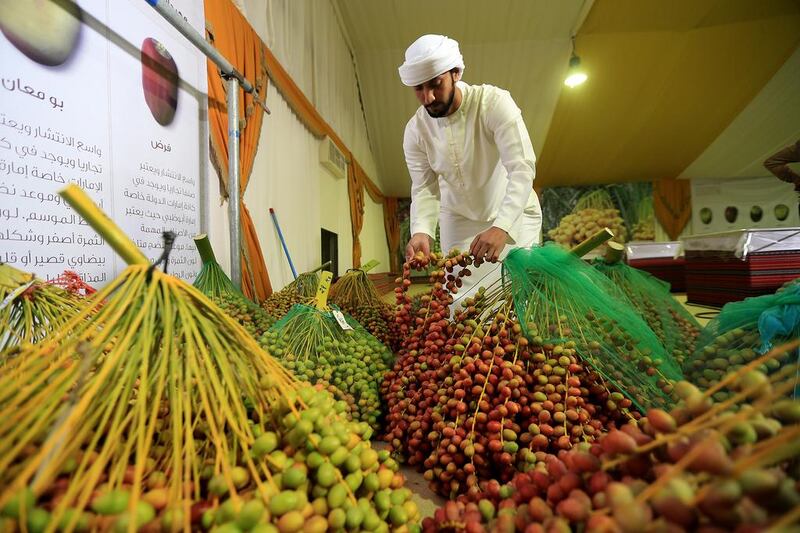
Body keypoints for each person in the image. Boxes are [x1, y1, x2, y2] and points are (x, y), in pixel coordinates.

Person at [399, 34, 542, 300]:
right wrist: (421, 231)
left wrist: (502, 227)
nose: (428, 97)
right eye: (419, 88)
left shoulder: (494, 103)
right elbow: (424, 188)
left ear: (455, 73)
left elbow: (521, 169)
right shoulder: (415, 131)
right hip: (459, 219)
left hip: (513, 213)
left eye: (435, 84)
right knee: (459, 300)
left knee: (517, 296)